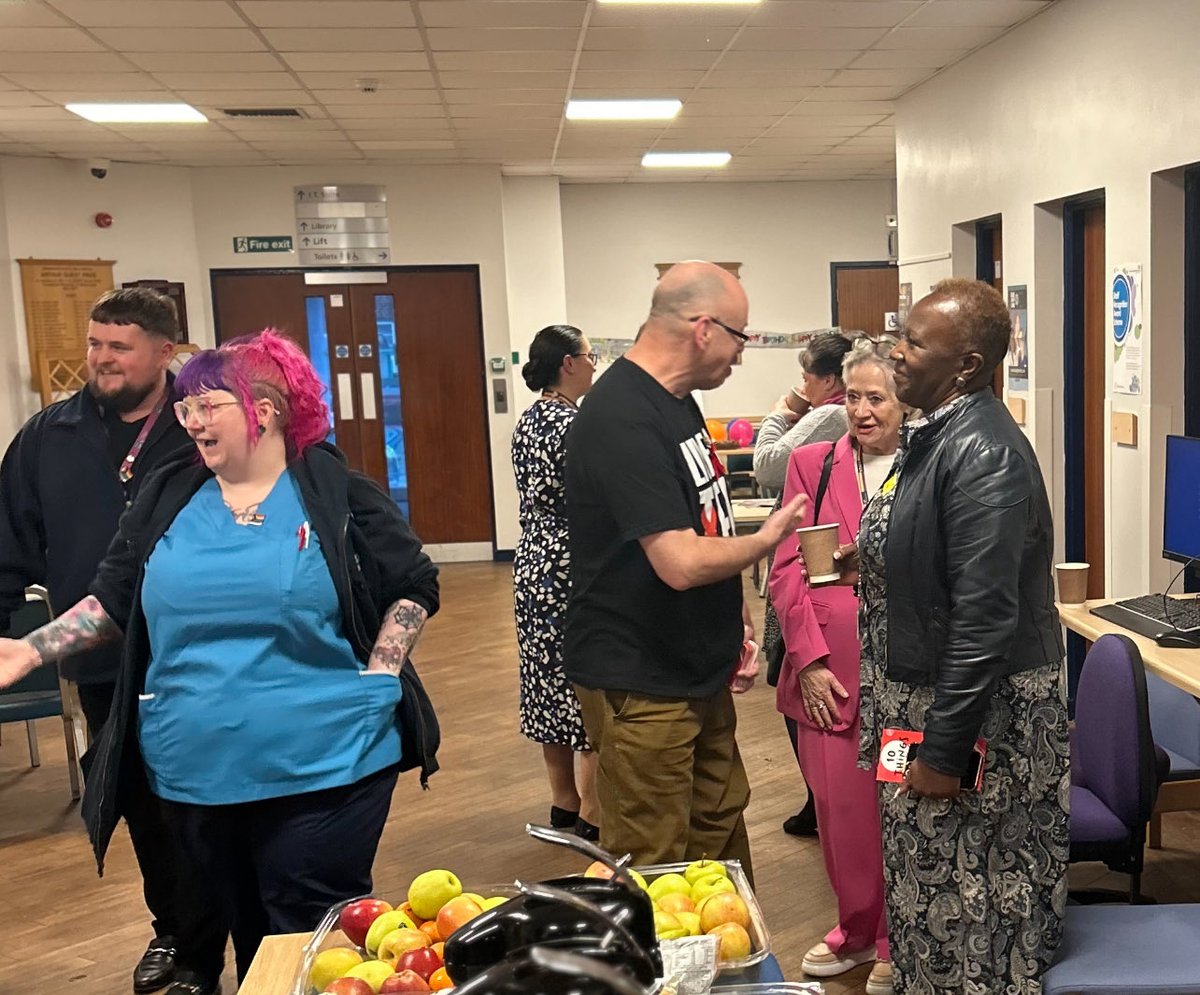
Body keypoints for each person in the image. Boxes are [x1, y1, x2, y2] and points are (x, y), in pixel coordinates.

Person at [0, 330, 440, 995]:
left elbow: (413, 582)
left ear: (264, 408)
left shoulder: (333, 487)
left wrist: (381, 672)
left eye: (209, 404)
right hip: (194, 774)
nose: (192, 422)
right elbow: (114, 598)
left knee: (306, 933)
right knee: (247, 937)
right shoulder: (167, 493)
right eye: (186, 408)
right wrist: (32, 647)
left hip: (326, 763)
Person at [851, 279, 1069, 994]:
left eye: (915, 342)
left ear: (968, 365)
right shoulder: (934, 431)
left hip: (977, 726)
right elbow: (936, 549)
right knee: (926, 903)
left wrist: (944, 753)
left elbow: (983, 616)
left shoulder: (983, 453)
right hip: (920, 705)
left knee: (972, 913)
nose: (897, 354)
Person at [563, 261, 806, 880]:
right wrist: (768, 539)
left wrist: (737, 612)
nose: (743, 355)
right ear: (704, 328)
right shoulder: (621, 416)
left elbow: (704, 520)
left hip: (696, 670)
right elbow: (676, 561)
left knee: (719, 832)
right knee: (657, 863)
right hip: (641, 682)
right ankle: (670, 980)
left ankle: (729, 973)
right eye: (741, 337)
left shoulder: (677, 404)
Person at [0, 287, 194, 994]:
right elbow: (8, 544)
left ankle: (249, 924)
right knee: (141, 802)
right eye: (93, 344)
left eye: (119, 347)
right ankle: (174, 933)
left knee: (214, 800)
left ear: (163, 352)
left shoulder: (197, 428)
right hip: (106, 664)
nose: (100, 360)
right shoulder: (47, 437)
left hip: (202, 661)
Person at [768, 337, 904, 995]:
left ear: (907, 404)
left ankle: (894, 939)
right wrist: (811, 661)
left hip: (906, 683)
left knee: (896, 805)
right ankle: (854, 929)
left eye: (876, 397)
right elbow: (786, 571)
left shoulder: (928, 469)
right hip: (829, 681)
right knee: (840, 812)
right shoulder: (811, 464)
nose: (862, 410)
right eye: (853, 396)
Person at [756, 331, 854, 837]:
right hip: (804, 589)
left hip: (819, 604)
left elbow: (765, 464)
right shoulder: (826, 428)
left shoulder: (828, 415)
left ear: (828, 380)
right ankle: (820, 798)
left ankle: (820, 800)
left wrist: (781, 410)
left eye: (808, 377)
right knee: (794, 680)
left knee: (794, 680)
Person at [512, 324, 600, 840]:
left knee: (547, 685)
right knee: (584, 687)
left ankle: (563, 804)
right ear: (568, 363)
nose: (594, 365)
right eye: (590, 356)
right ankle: (592, 813)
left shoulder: (529, 420)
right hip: (571, 565)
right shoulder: (572, 424)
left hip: (533, 563)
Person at [752, 331, 854, 493]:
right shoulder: (845, 410)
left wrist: (776, 416)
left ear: (828, 381)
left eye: (806, 380)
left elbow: (767, 469)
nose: (804, 389)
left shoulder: (831, 414)